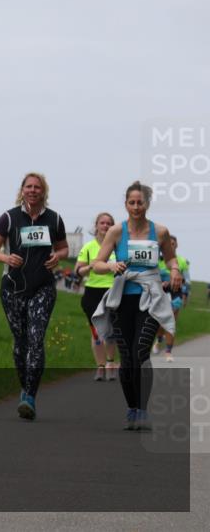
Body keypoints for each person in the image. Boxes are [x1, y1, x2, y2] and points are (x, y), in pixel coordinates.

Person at [89, 181, 180, 431]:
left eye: (140, 202)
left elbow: (171, 258)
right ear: (126, 204)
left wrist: (173, 270)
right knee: (127, 356)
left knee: (141, 352)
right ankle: (131, 408)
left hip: (150, 298)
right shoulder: (117, 232)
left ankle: (142, 409)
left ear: (147, 204)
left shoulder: (160, 232)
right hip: (122, 299)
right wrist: (111, 266)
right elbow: (97, 263)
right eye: (132, 202)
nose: (136, 207)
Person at [0, 172, 69, 421]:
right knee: (21, 343)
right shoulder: (9, 218)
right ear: (22, 190)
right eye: (28, 187)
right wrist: (6, 258)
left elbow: (63, 246)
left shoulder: (54, 219)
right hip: (12, 288)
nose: (33, 190)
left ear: (44, 192)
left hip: (43, 287)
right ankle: (25, 386)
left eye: (37, 187)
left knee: (36, 338)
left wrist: (59, 256)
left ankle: (30, 396)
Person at [75, 212, 119, 381]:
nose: (105, 226)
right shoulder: (88, 247)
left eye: (109, 223)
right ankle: (100, 366)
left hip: (113, 291)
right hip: (93, 291)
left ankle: (110, 363)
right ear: (97, 226)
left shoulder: (118, 246)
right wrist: (90, 267)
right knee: (96, 333)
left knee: (111, 331)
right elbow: (77, 271)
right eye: (102, 223)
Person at [154, 236, 190, 362]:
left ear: (176, 245)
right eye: (168, 243)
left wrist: (185, 295)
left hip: (176, 294)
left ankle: (168, 351)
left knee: (171, 323)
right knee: (159, 323)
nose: (171, 245)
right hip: (159, 294)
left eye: (173, 243)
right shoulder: (157, 260)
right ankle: (158, 340)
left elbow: (187, 280)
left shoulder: (182, 261)